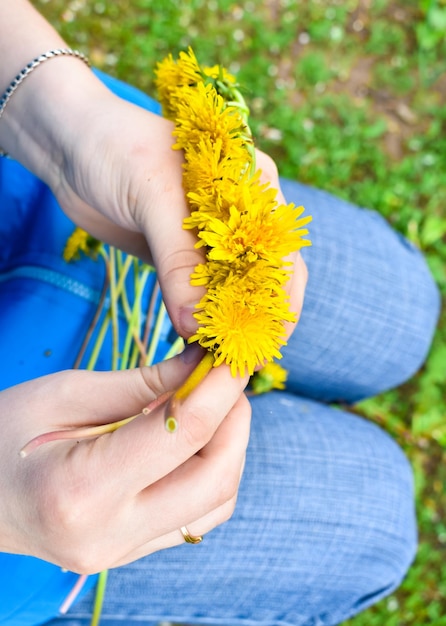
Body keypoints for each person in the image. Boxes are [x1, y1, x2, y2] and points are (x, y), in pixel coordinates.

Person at [0, 1, 440, 625]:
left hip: (75, 199)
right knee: (375, 516)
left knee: (400, 307)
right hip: (30, 506)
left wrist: (53, 112)